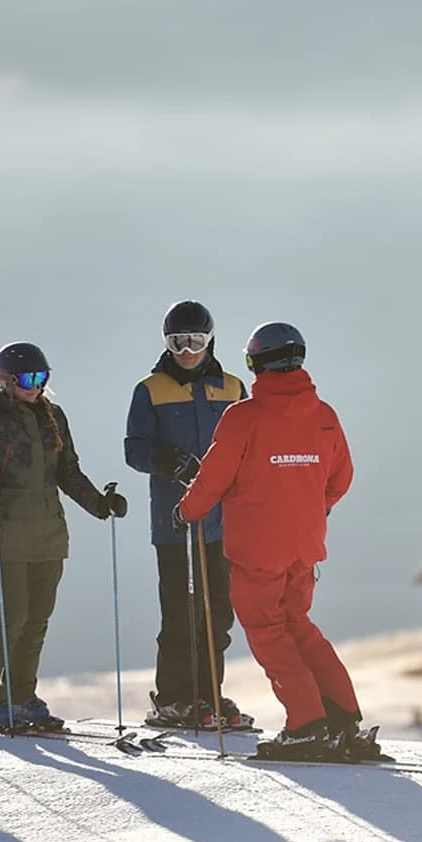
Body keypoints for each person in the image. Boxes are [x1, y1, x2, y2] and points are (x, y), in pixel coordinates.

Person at [176, 322, 382, 760]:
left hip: (258, 548)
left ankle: (307, 724)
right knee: (298, 625)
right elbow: (341, 479)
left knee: (268, 630)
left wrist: (186, 511)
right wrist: (310, 507)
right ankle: (342, 718)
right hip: (304, 545)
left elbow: (213, 479)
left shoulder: (244, 417)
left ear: (254, 363)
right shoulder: (324, 415)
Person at [0, 341, 126, 729]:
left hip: (48, 532)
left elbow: (67, 472)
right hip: (6, 531)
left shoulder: (55, 416)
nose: (36, 386)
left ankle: (21, 695)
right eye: (27, 379)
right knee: (11, 617)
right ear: (5, 381)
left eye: (42, 378)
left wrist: (100, 504)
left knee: (36, 620)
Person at [123, 300, 254, 731]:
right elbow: (135, 449)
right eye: (177, 342)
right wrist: (170, 461)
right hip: (175, 522)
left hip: (223, 522)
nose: (186, 351)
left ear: (210, 341)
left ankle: (208, 693)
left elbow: (250, 441)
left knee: (217, 612)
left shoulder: (233, 388)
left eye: (195, 341)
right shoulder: (152, 389)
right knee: (181, 611)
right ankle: (174, 697)